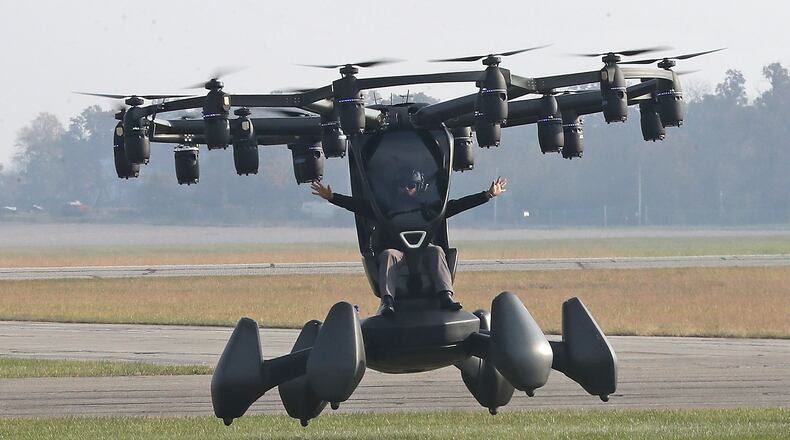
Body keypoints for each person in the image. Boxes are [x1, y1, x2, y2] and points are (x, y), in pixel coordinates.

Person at [311, 172, 507, 316]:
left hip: (422, 254)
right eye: (403, 186)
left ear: (418, 188)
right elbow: (358, 206)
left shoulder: (430, 208)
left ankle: (445, 296)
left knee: (436, 250)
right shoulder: (385, 209)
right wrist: (332, 197)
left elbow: (457, 205)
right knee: (388, 255)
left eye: (411, 186)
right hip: (398, 255)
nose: (407, 189)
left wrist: (487, 195)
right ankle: (388, 301)